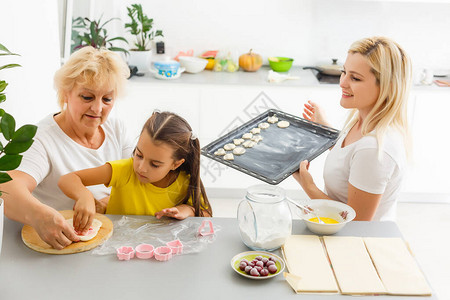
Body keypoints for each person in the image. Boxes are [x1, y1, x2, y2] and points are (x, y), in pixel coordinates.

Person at [1, 46, 133, 249]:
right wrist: (39, 216)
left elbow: (135, 182)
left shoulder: (117, 129)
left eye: (107, 99)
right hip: (57, 248)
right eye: (87, 97)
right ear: (65, 94)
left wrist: (106, 202)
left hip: (107, 242)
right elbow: (7, 189)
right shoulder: (42, 138)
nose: (97, 109)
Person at [294, 36, 411, 221]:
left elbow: (356, 223)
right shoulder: (364, 122)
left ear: (386, 87)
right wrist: (327, 130)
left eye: (355, 78)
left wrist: (309, 187)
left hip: (359, 242)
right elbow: (351, 159)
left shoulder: (374, 149)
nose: (342, 82)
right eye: (344, 72)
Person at [58, 111, 212, 233]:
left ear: (176, 164)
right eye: (139, 155)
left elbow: (206, 214)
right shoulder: (124, 170)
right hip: (116, 246)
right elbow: (67, 179)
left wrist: (186, 210)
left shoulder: (185, 180)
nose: (141, 168)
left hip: (158, 250)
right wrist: (85, 196)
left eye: (155, 164)